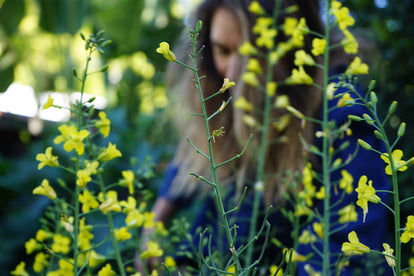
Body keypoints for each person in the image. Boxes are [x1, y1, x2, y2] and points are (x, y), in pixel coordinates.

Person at [137, 0, 391, 274]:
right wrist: (156, 220)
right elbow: (195, 153)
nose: (232, 74)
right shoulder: (222, 92)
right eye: (223, 50)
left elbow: (345, 252)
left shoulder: (341, 113)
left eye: (251, 55)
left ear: (291, 47)